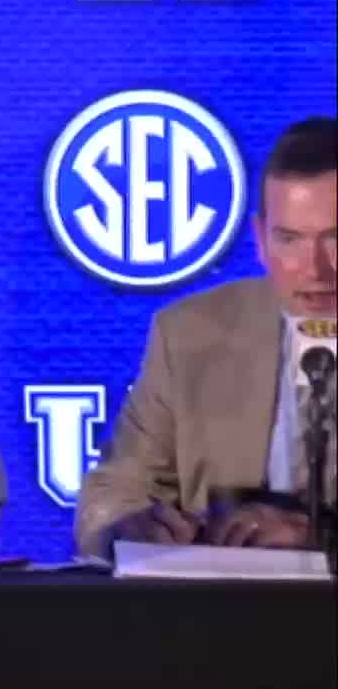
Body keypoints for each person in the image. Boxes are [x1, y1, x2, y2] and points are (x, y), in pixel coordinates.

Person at [74, 117, 338, 559]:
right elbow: (109, 494)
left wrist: (322, 539)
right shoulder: (189, 334)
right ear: (259, 238)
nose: (315, 267)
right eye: (289, 239)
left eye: (335, 238)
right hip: (214, 617)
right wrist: (129, 528)